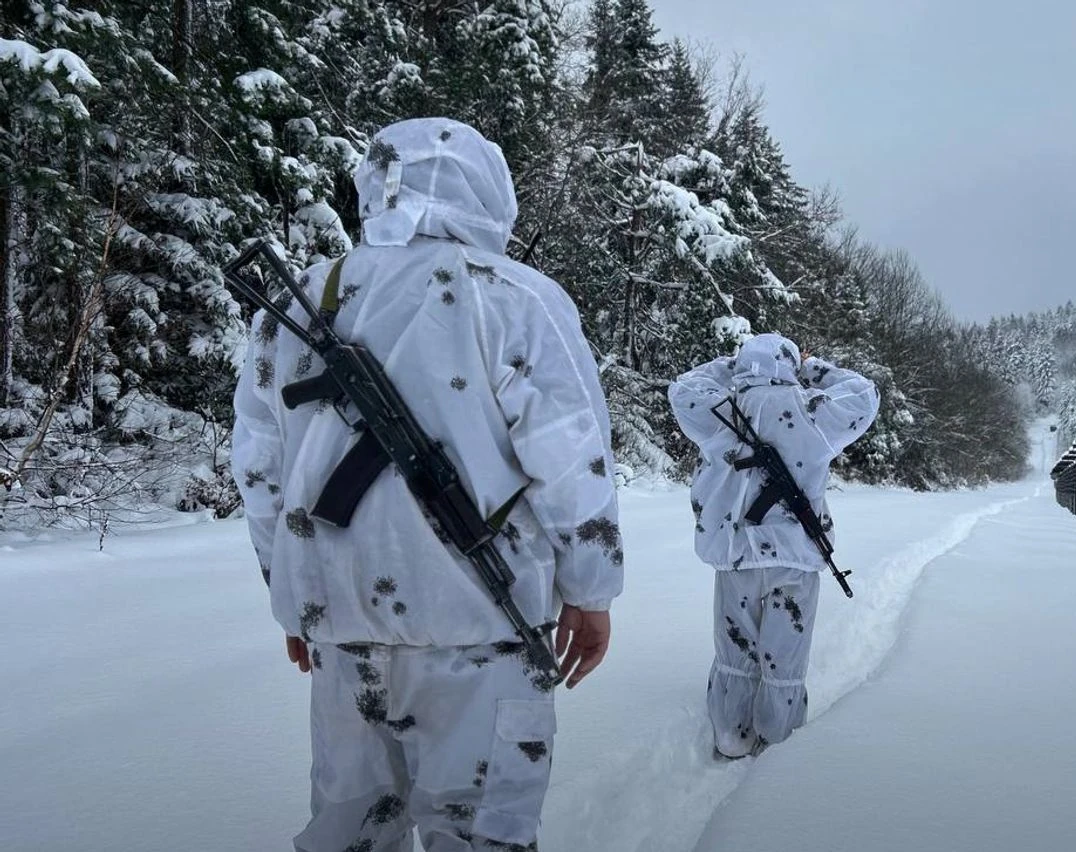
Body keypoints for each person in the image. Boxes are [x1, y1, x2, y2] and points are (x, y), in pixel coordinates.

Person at [231, 118, 622, 852]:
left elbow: (261, 469)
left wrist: (293, 592)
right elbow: (572, 459)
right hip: (483, 628)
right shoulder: (514, 295)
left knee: (350, 832)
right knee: (479, 834)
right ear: (486, 189)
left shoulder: (304, 298)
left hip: (342, 619)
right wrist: (590, 589)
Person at [668, 333, 879, 759]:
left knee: (736, 649)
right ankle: (779, 745)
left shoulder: (718, 410)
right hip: (795, 555)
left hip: (737, 553)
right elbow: (865, 395)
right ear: (790, 366)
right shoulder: (815, 412)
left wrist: (736, 366)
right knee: (786, 656)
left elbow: (683, 388)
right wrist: (812, 368)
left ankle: (731, 737)